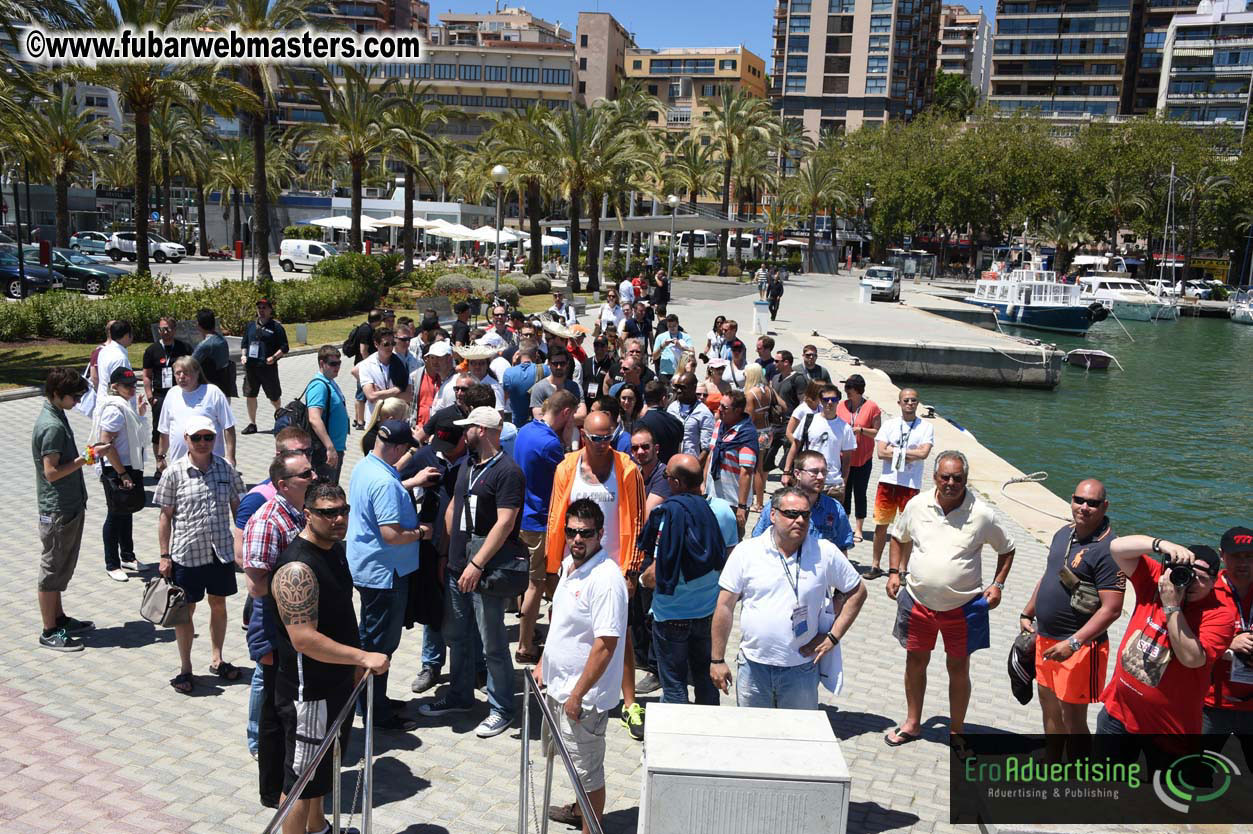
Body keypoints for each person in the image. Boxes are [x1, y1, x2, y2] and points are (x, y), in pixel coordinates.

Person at [267, 482, 389, 834]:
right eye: (327, 512)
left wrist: (351, 666)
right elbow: (304, 639)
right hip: (309, 695)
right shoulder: (297, 570)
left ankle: (319, 828)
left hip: (336, 683)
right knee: (300, 784)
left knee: (323, 770)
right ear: (307, 515)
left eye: (343, 510)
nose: (338, 519)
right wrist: (363, 657)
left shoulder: (333, 549)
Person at [884, 451, 1016, 745]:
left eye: (958, 478)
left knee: (958, 668)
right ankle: (913, 723)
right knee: (915, 663)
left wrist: (998, 585)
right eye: (945, 477)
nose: (951, 483)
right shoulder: (917, 505)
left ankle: (957, 731)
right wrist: (894, 572)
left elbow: (1007, 548)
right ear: (935, 477)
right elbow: (898, 536)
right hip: (917, 601)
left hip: (964, 607)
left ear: (966, 480)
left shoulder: (982, 514)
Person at [711, 487, 867, 709]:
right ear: (773, 515)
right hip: (754, 666)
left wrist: (833, 637)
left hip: (801, 669)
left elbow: (857, 592)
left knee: (797, 737)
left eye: (806, 514)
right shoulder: (747, 552)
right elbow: (724, 606)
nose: (800, 520)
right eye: (792, 514)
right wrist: (717, 659)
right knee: (754, 736)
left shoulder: (825, 552)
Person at [421, 407, 525, 739]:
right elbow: (454, 506)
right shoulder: (468, 464)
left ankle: (502, 708)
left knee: (492, 641)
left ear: (482, 429)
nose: (464, 433)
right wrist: (445, 553)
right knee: (457, 635)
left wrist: (477, 564)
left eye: (469, 428)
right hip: (456, 564)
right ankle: (460, 696)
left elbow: (506, 522)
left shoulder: (508, 471)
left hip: (486, 568)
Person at [546, 411, 648, 740]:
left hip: (614, 567)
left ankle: (629, 702)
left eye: (608, 437)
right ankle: (567, 686)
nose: (603, 444)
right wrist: (553, 565)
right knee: (569, 625)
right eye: (596, 438)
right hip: (573, 563)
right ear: (583, 435)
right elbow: (555, 514)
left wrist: (631, 570)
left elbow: (637, 521)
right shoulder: (567, 468)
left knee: (620, 634)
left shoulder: (628, 469)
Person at [535, 499, 628, 834]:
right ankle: (579, 812)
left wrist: (577, 694)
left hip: (583, 699)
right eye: (571, 532)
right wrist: (545, 663)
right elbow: (560, 622)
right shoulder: (569, 565)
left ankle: (592, 826)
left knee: (588, 774)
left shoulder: (606, 579)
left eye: (585, 534)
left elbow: (606, 645)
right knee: (573, 764)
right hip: (559, 687)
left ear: (600, 534)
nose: (577, 539)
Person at [1016, 479, 1123, 747]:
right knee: (1049, 707)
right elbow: (1050, 575)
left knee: (1073, 718)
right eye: (1079, 500)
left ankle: (1076, 777)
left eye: (1093, 503)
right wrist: (1028, 612)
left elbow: (1112, 609)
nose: (1084, 507)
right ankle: (1053, 764)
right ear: (1071, 500)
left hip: (1080, 647)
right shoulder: (1064, 533)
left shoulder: (1109, 549)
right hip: (1046, 637)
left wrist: (1073, 643)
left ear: (1104, 506)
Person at [1097, 535, 1234, 740]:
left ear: (1215, 581)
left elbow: (1192, 659)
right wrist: (1162, 545)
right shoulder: (1157, 583)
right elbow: (1116, 548)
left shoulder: (1220, 614)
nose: (1190, 583)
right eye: (1188, 574)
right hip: (1118, 713)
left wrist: (1172, 607)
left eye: (1201, 578)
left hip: (1168, 727)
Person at [347, 419, 435, 731]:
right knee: (380, 646)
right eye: (405, 450)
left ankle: (370, 702)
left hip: (368, 567)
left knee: (371, 638)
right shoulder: (384, 482)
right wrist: (422, 532)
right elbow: (392, 534)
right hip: (385, 573)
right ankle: (376, 713)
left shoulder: (366, 466)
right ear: (397, 448)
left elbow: (388, 488)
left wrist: (411, 483)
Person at [242, 451, 314, 809]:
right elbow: (256, 583)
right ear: (283, 485)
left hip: (293, 626)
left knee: (288, 710)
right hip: (274, 627)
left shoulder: (299, 514)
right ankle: (273, 793)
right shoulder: (268, 520)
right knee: (275, 712)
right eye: (305, 474)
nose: (314, 477)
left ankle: (290, 782)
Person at [155, 415, 247, 694]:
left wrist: (242, 546)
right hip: (187, 553)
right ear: (186, 440)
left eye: (209, 437)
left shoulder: (225, 469)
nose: (204, 442)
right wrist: (164, 555)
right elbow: (165, 517)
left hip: (219, 551)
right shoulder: (174, 472)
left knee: (218, 604)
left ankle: (217, 659)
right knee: (186, 611)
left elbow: (237, 508)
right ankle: (186, 668)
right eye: (197, 438)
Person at [638, 454, 730, 705]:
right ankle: (707, 735)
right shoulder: (722, 511)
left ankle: (676, 740)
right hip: (708, 614)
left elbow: (658, 573)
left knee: (675, 685)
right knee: (705, 679)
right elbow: (729, 562)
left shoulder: (670, 515)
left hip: (671, 617)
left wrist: (641, 582)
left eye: (667, 477)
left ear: (676, 483)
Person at [32, 368, 97, 651]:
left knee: (61, 566)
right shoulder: (52, 426)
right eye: (74, 397)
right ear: (57, 395)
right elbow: (51, 472)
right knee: (52, 567)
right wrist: (85, 459)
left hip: (68, 505)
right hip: (58, 509)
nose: (78, 402)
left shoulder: (57, 416)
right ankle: (49, 630)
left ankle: (58, 618)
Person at [515, 390, 578, 663]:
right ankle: (524, 645)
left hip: (521, 516)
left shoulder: (526, 430)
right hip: (538, 522)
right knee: (535, 585)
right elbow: (567, 479)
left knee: (526, 582)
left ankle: (526, 633)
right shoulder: (551, 444)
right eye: (573, 417)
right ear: (565, 413)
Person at [868, 388, 934, 580]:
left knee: (907, 528)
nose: (910, 404)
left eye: (913, 400)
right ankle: (875, 564)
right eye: (906, 400)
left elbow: (924, 454)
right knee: (881, 525)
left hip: (911, 484)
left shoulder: (926, 427)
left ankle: (902, 569)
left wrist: (896, 451)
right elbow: (881, 452)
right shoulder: (889, 425)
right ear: (899, 403)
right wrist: (911, 452)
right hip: (888, 482)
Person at [90, 367, 147, 581]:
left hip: (128, 465)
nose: (132, 389)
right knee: (115, 513)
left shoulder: (126, 404)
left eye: (134, 385)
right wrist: (122, 473)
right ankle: (112, 563)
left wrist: (140, 414)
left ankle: (127, 556)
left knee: (127, 510)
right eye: (127, 385)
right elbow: (106, 444)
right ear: (114, 386)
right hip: (117, 468)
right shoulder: (114, 409)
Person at [1204, 526, 1253, 761]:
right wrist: (1229, 643)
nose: (1243, 563)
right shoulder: (1206, 590)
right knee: (1193, 773)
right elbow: (1185, 640)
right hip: (1211, 705)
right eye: (1236, 556)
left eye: (1249, 556)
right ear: (1222, 555)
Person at [753, 450, 855, 552]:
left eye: (824, 472)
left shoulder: (834, 509)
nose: (821, 477)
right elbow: (756, 543)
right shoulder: (777, 505)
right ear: (797, 474)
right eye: (814, 472)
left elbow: (842, 549)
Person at [783, 383, 856, 501]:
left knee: (830, 518)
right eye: (826, 400)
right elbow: (795, 446)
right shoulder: (809, 420)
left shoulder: (845, 428)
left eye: (834, 399)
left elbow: (847, 459)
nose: (830, 403)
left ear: (838, 401)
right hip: (808, 479)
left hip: (833, 483)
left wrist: (844, 481)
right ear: (821, 401)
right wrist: (786, 472)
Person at [141, 315, 192, 472]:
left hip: (181, 393)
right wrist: (150, 396)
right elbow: (146, 375)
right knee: (159, 429)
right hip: (161, 395)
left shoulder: (184, 348)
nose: (164, 332)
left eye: (167, 329)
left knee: (185, 426)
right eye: (161, 329)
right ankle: (160, 465)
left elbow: (192, 370)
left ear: (174, 330)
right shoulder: (152, 350)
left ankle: (187, 460)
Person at [704, 391, 758, 537]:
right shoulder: (720, 425)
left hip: (732, 503)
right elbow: (711, 455)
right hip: (712, 497)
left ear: (738, 411)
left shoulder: (747, 435)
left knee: (730, 542)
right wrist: (704, 487)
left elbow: (746, 471)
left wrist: (742, 506)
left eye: (724, 407)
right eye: (719, 405)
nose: (719, 410)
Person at [835, 374, 881, 544]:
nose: (846, 391)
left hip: (863, 458)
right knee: (844, 492)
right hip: (843, 458)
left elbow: (878, 432)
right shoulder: (841, 406)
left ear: (858, 390)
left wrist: (860, 430)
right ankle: (844, 526)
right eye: (846, 388)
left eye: (849, 389)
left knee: (860, 493)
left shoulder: (872, 407)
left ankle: (859, 529)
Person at [240, 299, 289, 435]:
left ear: (270, 310)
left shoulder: (276, 327)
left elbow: (285, 347)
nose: (261, 310)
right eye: (259, 307)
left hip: (268, 367)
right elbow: (244, 344)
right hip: (251, 367)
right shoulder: (250, 326)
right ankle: (252, 424)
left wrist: (274, 357)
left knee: (274, 397)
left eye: (264, 308)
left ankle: (280, 421)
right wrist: (244, 356)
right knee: (250, 395)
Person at [304, 346, 349, 485]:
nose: (337, 367)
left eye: (339, 363)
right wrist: (330, 448)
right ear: (322, 363)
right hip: (325, 451)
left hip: (335, 448)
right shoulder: (319, 386)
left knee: (331, 489)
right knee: (325, 494)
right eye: (333, 364)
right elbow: (314, 418)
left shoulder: (330, 382)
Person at [356, 326, 413, 425]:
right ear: (376, 344)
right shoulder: (366, 365)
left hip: (398, 419)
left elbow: (408, 396)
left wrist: (381, 394)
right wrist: (396, 390)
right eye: (386, 344)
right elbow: (371, 396)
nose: (390, 347)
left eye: (393, 343)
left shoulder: (400, 362)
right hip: (375, 420)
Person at [666, 372, 715, 466]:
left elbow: (706, 449)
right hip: (671, 463)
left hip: (691, 464)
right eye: (677, 387)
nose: (679, 391)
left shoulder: (704, 413)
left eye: (683, 387)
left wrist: (694, 468)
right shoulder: (672, 408)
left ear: (693, 388)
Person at [347, 308, 383, 430]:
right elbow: (363, 350)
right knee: (361, 395)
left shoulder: (365, 327)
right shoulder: (366, 331)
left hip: (360, 364)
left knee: (359, 394)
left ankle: (357, 419)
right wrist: (369, 365)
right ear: (377, 320)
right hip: (362, 366)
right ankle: (360, 421)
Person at [530, 348, 585, 423]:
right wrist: (569, 418)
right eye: (555, 364)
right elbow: (540, 420)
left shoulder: (576, 387)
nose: (559, 367)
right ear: (549, 363)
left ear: (567, 364)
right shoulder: (539, 388)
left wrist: (553, 418)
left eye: (562, 363)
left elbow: (582, 417)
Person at [636, 381, 683, 464]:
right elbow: (679, 450)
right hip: (671, 470)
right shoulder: (676, 422)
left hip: (650, 471)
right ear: (664, 399)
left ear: (645, 399)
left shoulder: (641, 424)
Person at [191, 309, 233, 398]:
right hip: (225, 387)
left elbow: (190, 363)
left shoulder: (205, 345)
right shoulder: (222, 340)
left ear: (199, 325)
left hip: (210, 390)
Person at [411, 339, 453, 427]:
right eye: (432, 357)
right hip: (420, 429)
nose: (434, 362)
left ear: (449, 358)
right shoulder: (417, 376)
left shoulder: (456, 381)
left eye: (439, 357)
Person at [94, 319, 134, 408]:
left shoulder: (104, 351)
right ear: (127, 335)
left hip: (103, 401)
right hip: (116, 406)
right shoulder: (120, 358)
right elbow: (124, 387)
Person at [650, 314, 692, 384]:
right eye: (669, 326)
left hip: (681, 372)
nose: (672, 328)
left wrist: (680, 347)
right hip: (665, 373)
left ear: (678, 324)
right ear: (667, 325)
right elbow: (654, 357)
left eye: (674, 326)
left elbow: (692, 352)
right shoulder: (660, 337)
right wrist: (663, 345)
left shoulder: (685, 337)